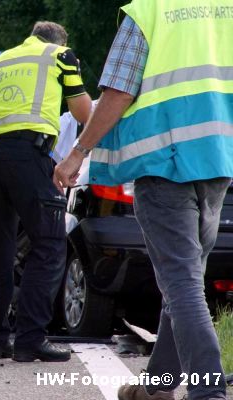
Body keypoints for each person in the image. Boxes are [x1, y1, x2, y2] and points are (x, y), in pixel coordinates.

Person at [54, 1, 231, 399]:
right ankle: (156, 388)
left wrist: (77, 152)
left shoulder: (149, 12)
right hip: (217, 159)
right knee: (183, 280)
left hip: (164, 162)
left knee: (182, 283)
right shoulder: (224, 11)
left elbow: (117, 92)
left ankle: (209, 392)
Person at [0, 21, 91, 361]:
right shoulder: (61, 56)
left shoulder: (4, 59)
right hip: (28, 153)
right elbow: (82, 112)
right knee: (50, 243)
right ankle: (30, 340)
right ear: (59, 41)